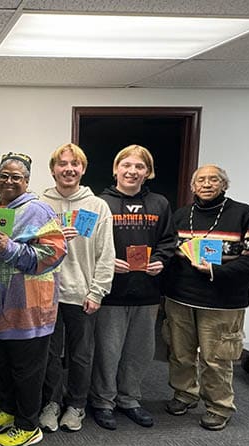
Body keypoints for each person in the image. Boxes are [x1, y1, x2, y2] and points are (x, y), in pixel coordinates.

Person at [162, 164, 249, 430]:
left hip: (222, 301)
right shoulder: (181, 215)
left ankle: (219, 406)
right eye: (201, 180)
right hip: (180, 299)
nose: (207, 184)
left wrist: (216, 270)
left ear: (224, 185)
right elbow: (169, 252)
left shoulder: (242, 213)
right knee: (180, 354)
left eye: (214, 180)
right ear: (192, 186)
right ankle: (184, 394)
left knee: (216, 358)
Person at [0, 152, 67, 446]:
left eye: (16, 177)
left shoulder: (37, 210)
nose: (9, 181)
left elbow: (55, 252)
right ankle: (10, 409)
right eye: (4, 175)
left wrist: (14, 250)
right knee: (6, 365)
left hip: (29, 308)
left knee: (27, 371)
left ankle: (28, 426)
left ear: (27, 181)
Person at [90, 144, 176, 430]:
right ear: (116, 169)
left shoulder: (160, 204)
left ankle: (129, 399)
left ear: (148, 173)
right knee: (108, 350)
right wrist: (106, 262)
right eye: (126, 165)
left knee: (139, 351)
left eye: (140, 166)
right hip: (111, 291)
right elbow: (87, 244)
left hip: (147, 291)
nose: (132, 171)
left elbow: (168, 240)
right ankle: (103, 401)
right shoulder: (99, 202)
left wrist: (162, 260)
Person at [38, 143, 115, 433]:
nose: (68, 169)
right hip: (47, 294)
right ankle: (52, 403)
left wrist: (97, 292)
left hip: (82, 294)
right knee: (50, 353)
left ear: (82, 169)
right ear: (53, 169)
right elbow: (28, 245)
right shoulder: (40, 204)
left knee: (82, 354)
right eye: (62, 164)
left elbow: (106, 254)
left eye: (75, 164)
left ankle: (77, 405)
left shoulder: (97, 206)